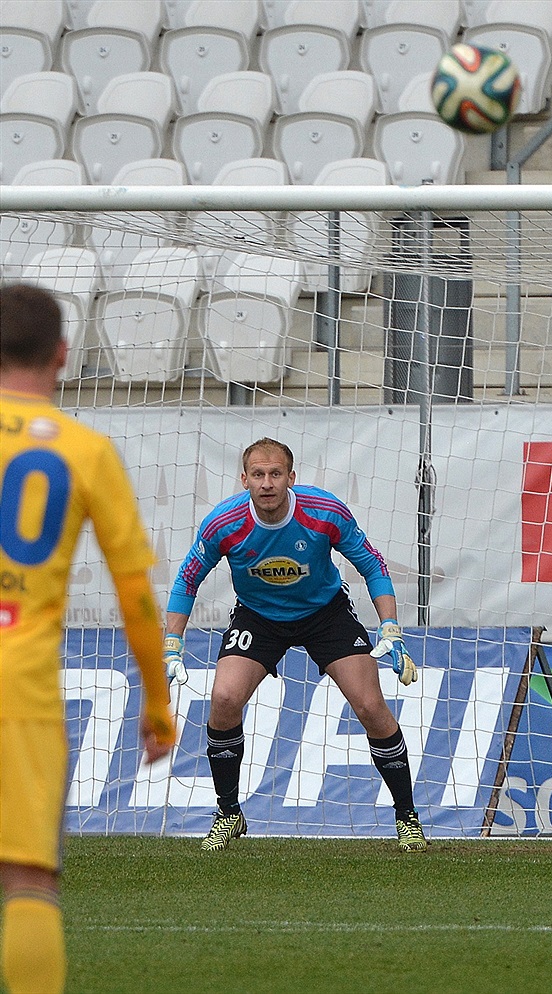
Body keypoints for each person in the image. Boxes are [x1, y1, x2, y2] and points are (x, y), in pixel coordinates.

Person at [0, 284, 176, 994]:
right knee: (28, 879)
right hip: (21, 686)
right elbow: (135, 597)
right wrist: (157, 706)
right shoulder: (86, 450)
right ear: (63, 355)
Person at [164, 436, 427, 854]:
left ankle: (407, 817)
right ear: (244, 479)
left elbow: (372, 564)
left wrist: (390, 626)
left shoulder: (324, 511)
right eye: (258, 475)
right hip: (258, 617)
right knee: (225, 698)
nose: (267, 483)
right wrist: (172, 644)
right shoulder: (223, 523)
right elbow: (187, 579)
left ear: (291, 478)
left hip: (326, 614)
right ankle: (229, 813)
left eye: (275, 474)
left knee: (371, 706)